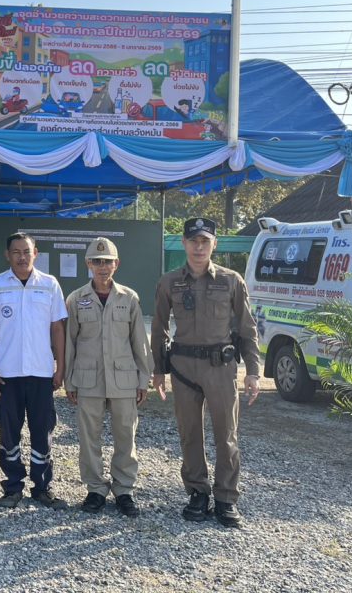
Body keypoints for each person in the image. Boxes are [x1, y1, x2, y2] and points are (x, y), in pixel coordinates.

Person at [151, 217, 260, 528]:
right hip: (183, 369)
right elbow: (158, 328)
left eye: (205, 241)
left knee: (226, 435)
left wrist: (253, 371)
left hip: (220, 368)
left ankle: (226, 497)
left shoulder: (231, 280)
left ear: (214, 244)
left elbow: (247, 328)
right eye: (193, 241)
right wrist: (158, 370)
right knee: (189, 434)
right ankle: (197, 492)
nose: (199, 247)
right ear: (184, 243)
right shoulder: (169, 282)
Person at [0, 233, 69, 510]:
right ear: (7, 255)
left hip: (41, 372)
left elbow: (58, 328)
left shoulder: (49, 285)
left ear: (35, 253)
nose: (21, 257)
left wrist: (61, 366)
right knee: (9, 432)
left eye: (26, 252)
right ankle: (12, 486)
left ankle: (42, 487)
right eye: (16, 252)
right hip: (7, 373)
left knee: (42, 429)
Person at [64, 237, 152, 517]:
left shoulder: (129, 298)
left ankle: (124, 490)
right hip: (87, 379)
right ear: (88, 264)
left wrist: (143, 378)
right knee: (89, 437)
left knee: (126, 435)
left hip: (124, 379)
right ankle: (95, 489)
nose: (102, 266)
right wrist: (68, 380)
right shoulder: (76, 299)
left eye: (108, 261)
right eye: (97, 261)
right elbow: (69, 343)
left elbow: (140, 342)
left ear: (117, 264)